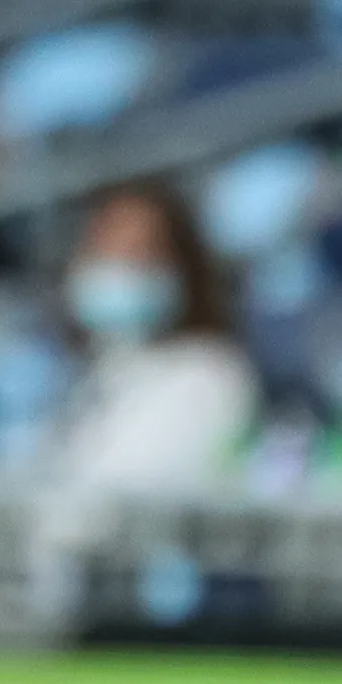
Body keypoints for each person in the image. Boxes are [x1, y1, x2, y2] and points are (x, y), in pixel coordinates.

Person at [49, 180, 256, 496]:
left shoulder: (207, 374)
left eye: (138, 252)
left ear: (181, 268)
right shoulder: (92, 370)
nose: (118, 268)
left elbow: (127, 489)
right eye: (103, 248)